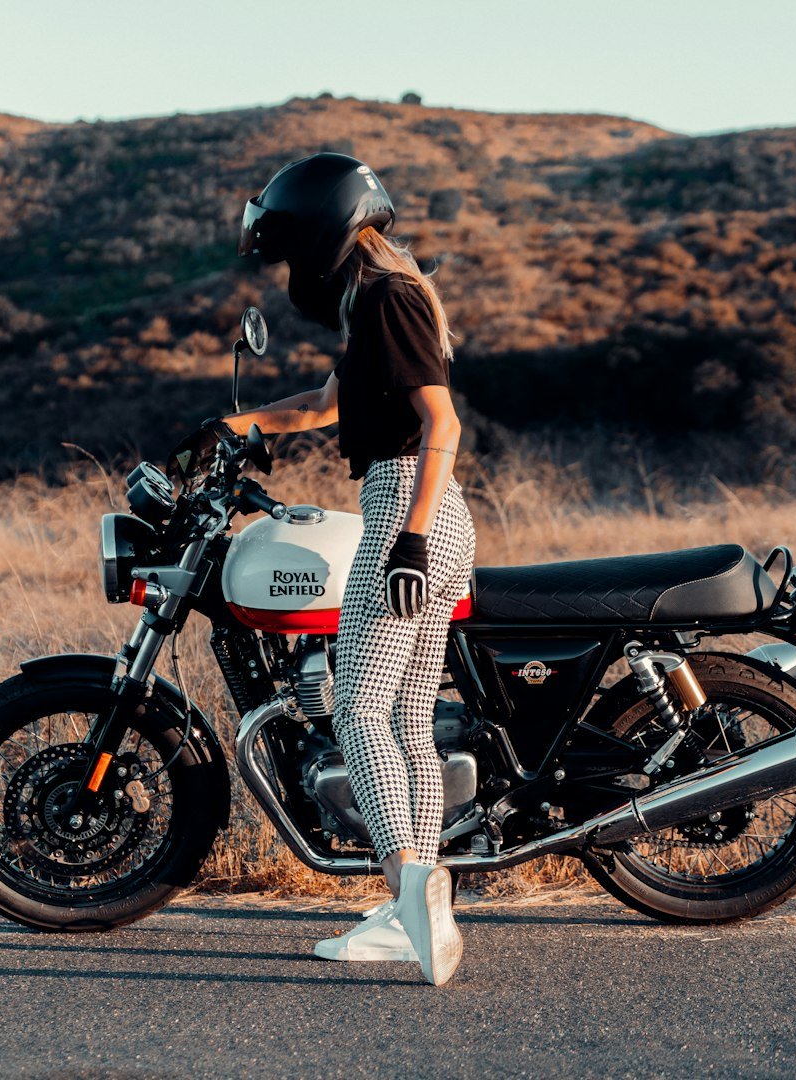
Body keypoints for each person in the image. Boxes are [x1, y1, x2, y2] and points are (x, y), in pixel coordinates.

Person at [222, 152, 476, 987]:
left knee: (358, 711)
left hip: (411, 505)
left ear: (322, 234)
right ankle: (414, 911)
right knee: (404, 719)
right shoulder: (374, 306)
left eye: (291, 250)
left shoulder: (388, 299)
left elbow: (440, 421)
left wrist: (408, 535)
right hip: (426, 510)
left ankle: (410, 891)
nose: (291, 269)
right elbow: (329, 403)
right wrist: (236, 425)